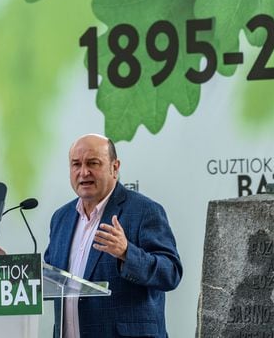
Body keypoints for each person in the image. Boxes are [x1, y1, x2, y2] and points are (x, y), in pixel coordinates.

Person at [43, 134, 182, 337]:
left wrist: (127, 253)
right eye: (76, 164)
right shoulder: (61, 218)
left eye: (93, 163)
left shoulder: (144, 211)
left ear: (114, 168)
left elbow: (170, 273)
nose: (83, 172)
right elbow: (51, 277)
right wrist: (11, 269)